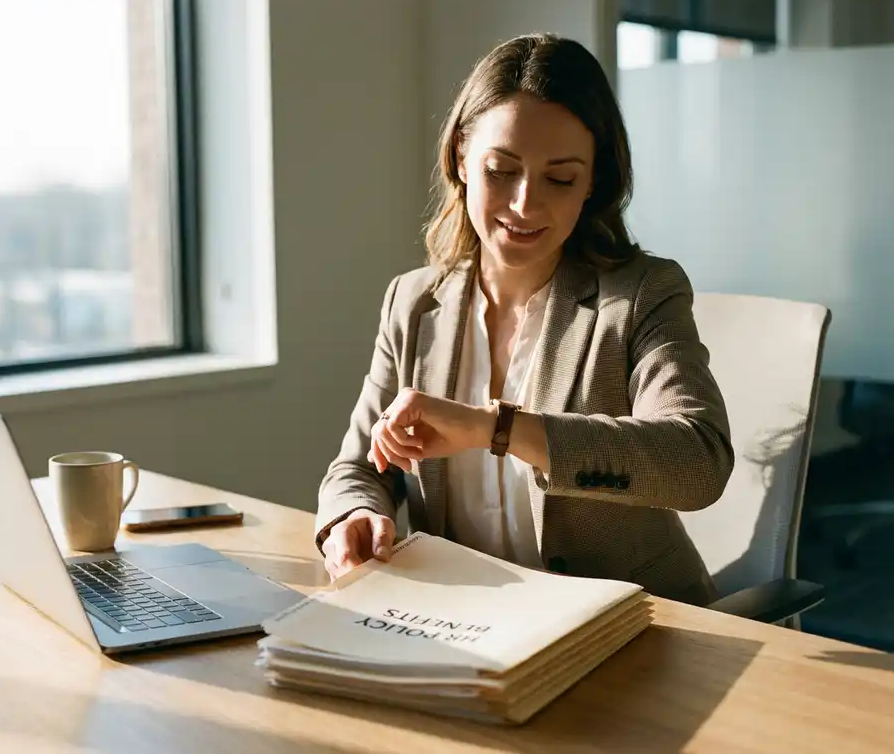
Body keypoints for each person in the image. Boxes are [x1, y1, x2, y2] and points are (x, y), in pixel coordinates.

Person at [314, 33, 734, 605]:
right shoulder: (413, 303)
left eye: (559, 178)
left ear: (592, 183)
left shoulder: (640, 295)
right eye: (501, 170)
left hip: (634, 627)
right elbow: (358, 467)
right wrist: (354, 516)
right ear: (462, 159)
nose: (524, 205)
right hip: (470, 625)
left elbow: (698, 460)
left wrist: (497, 429)